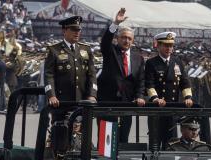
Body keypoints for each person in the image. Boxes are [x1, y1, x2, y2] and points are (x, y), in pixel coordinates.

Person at [44, 15, 97, 156]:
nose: (77, 32)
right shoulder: (54, 50)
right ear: (64, 30)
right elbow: (49, 76)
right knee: (60, 136)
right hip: (61, 102)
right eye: (73, 29)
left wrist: (92, 95)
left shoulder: (86, 50)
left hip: (81, 101)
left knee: (82, 136)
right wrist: (52, 95)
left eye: (78, 29)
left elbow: (92, 75)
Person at [98, 8, 145, 143]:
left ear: (133, 41)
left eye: (129, 38)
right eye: (123, 37)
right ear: (117, 38)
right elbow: (105, 41)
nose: (126, 40)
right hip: (108, 102)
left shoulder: (138, 58)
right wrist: (115, 24)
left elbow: (141, 81)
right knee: (106, 140)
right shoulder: (110, 51)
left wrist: (140, 96)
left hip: (127, 103)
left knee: (123, 139)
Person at [145, 31, 193, 151]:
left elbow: (184, 82)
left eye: (171, 46)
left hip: (172, 108)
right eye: (166, 45)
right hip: (157, 109)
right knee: (155, 144)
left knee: (171, 144)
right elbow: (149, 84)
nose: (169, 48)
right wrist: (155, 98)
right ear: (159, 46)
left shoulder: (177, 62)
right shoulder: (151, 63)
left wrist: (188, 97)